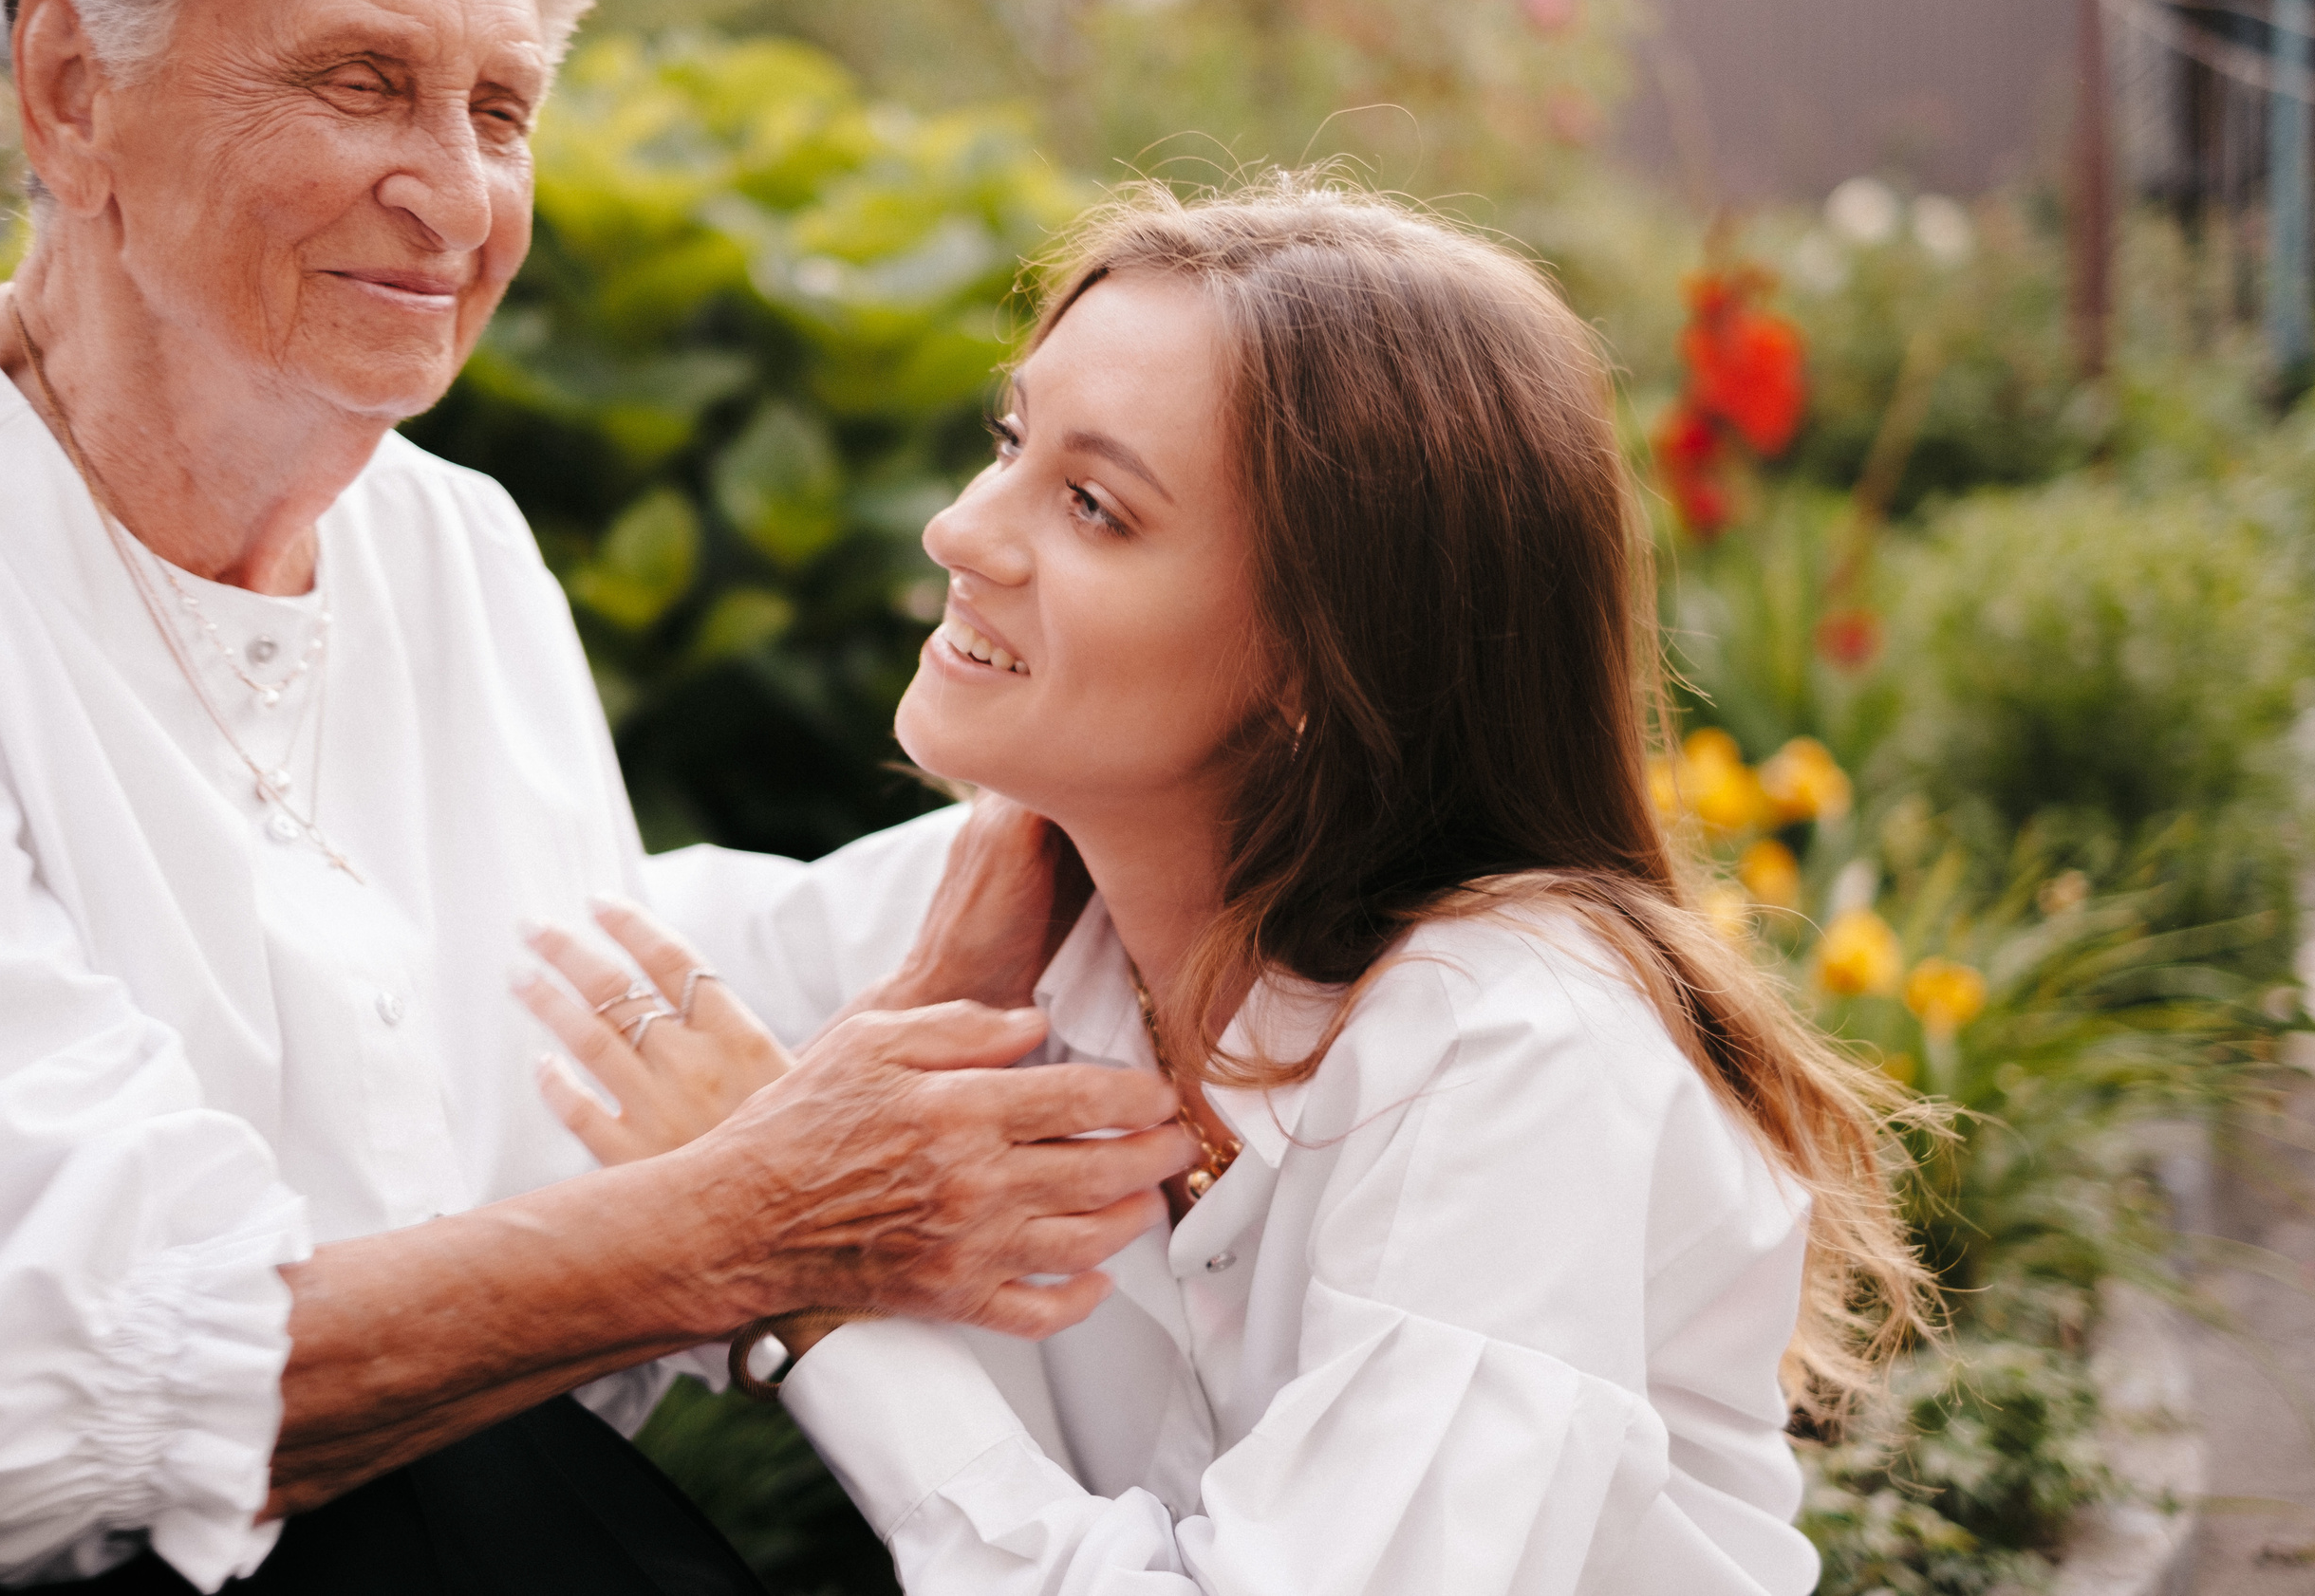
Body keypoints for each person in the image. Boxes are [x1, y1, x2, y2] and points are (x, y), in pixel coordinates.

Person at [0, 0, 1193, 1591]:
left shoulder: (461, 554)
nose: (456, 197)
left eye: (500, 111)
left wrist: (979, 934)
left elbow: (575, 1237)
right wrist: (753, 1224)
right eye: (361, 86)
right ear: (74, 89)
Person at [528, 183, 1934, 1593]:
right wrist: (862, 1069)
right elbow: (505, 986)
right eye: (1009, 442)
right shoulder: (1003, 924)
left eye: (1091, 505)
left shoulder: (1515, 1047)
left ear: (1321, 662)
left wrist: (816, 1291)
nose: (961, 530)